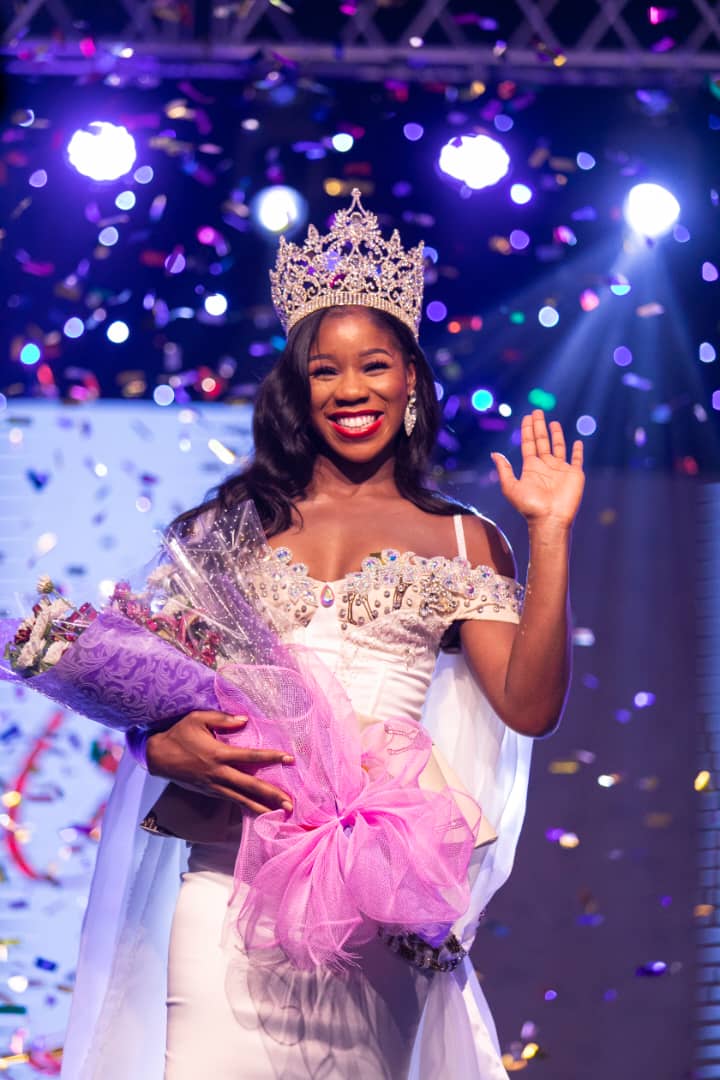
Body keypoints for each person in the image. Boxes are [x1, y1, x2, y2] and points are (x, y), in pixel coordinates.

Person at [59, 190, 584, 1080]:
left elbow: (530, 708)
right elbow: (164, 699)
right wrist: (159, 745)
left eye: (374, 366)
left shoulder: (463, 536)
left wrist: (550, 534)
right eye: (326, 372)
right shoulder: (226, 529)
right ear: (300, 389)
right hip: (227, 881)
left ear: (411, 378)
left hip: (375, 896)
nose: (352, 391)